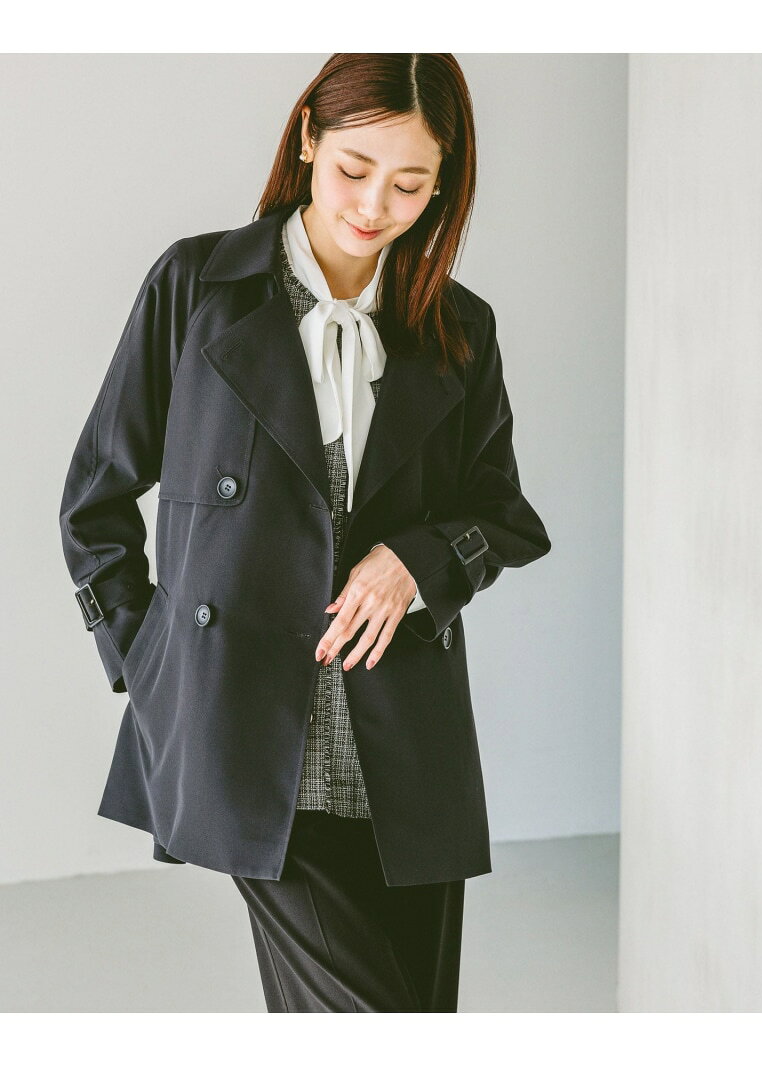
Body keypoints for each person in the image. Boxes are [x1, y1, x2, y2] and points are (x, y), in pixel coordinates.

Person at [59, 53, 551, 1012]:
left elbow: (503, 513)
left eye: (410, 184)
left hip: (404, 749)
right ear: (308, 140)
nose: (375, 205)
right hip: (247, 738)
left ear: (443, 184)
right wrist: (152, 664)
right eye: (354, 169)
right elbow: (94, 498)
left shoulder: (457, 327)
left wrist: (416, 562)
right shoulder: (198, 287)